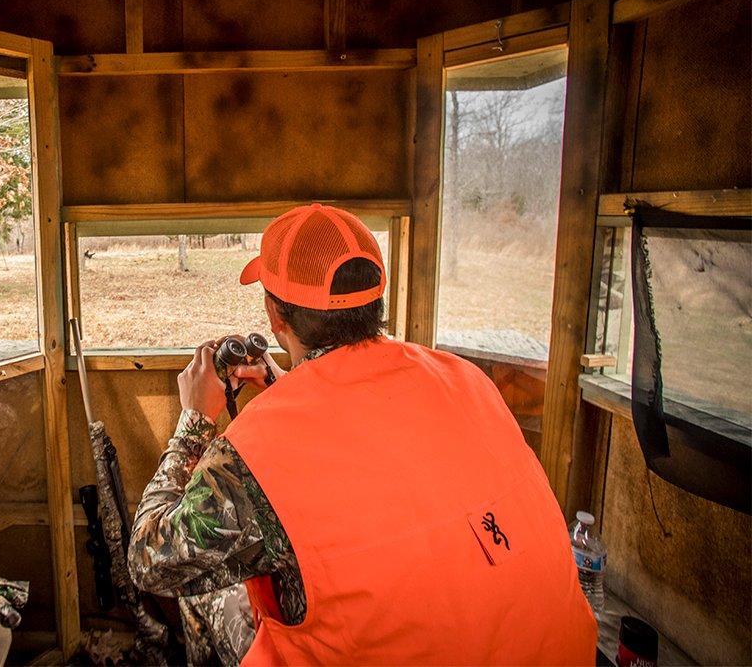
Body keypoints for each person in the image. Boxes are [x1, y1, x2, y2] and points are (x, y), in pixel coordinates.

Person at [128, 204, 597, 666]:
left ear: (275, 315)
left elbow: (149, 561)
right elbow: (380, 461)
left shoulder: (255, 452)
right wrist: (288, 391)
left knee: (209, 588)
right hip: (561, 650)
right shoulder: (466, 378)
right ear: (376, 301)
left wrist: (194, 419)